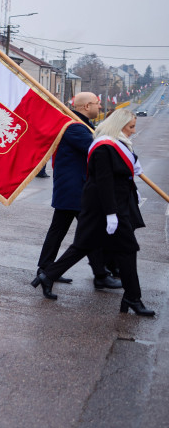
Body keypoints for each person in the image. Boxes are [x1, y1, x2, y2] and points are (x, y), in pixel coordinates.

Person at [34, 109, 153, 315]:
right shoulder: (104, 146)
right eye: (131, 127)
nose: (133, 131)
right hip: (106, 207)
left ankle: (48, 275)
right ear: (119, 125)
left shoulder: (118, 144)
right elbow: (103, 182)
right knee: (127, 249)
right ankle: (132, 297)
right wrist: (111, 213)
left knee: (83, 246)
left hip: (111, 206)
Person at [37, 92, 121, 290]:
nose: (100, 106)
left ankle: (46, 268)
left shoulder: (81, 125)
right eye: (97, 103)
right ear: (86, 106)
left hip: (73, 189)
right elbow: (97, 149)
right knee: (90, 231)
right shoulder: (74, 127)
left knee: (60, 230)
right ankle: (101, 274)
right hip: (76, 190)